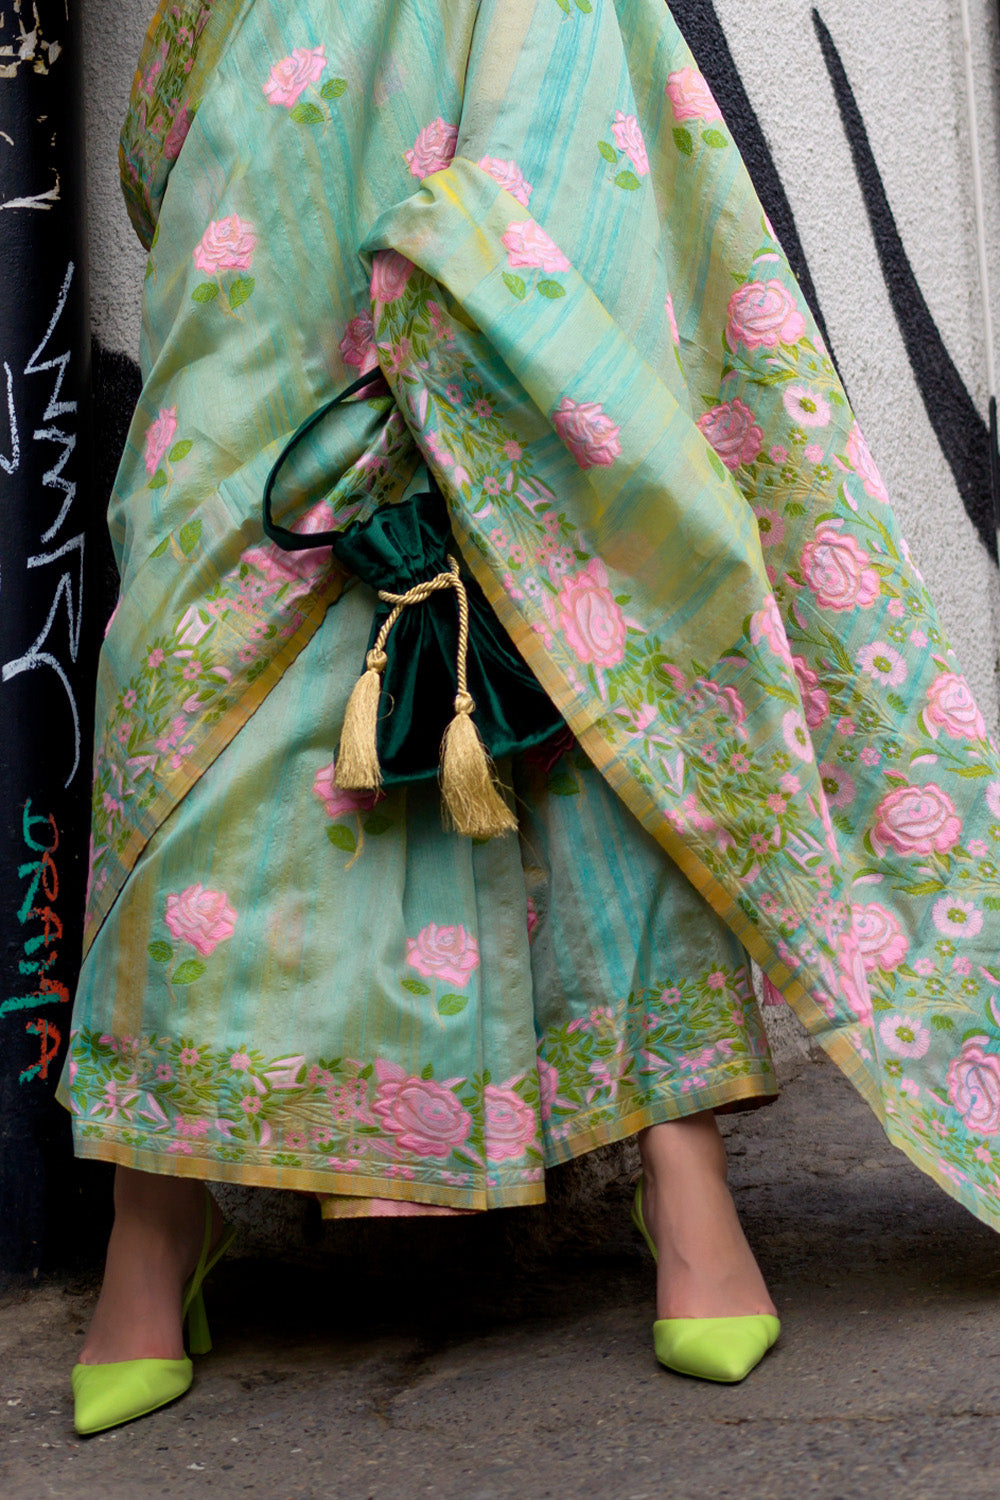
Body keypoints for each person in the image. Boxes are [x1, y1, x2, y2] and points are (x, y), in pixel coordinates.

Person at [63, 0, 1000, 1434]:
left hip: (522, 31)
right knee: (217, 595)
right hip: (265, 64)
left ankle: (681, 1169)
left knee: (585, 574)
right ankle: (157, 1203)